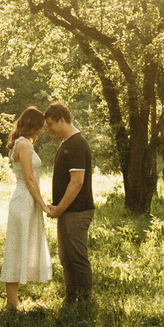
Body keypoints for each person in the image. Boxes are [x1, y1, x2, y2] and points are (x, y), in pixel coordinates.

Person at [43, 101, 95, 304]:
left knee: (78, 259)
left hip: (77, 212)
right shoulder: (68, 143)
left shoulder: (76, 144)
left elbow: (77, 182)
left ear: (62, 120)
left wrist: (59, 209)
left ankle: (84, 302)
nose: (49, 130)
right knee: (66, 258)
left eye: (50, 124)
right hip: (67, 212)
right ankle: (71, 297)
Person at [0, 105, 50, 310]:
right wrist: (44, 205)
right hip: (24, 200)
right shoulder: (24, 145)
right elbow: (29, 179)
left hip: (26, 199)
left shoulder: (22, 143)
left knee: (19, 247)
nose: (42, 131)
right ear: (33, 125)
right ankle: (11, 302)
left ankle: (13, 301)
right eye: (40, 127)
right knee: (15, 248)